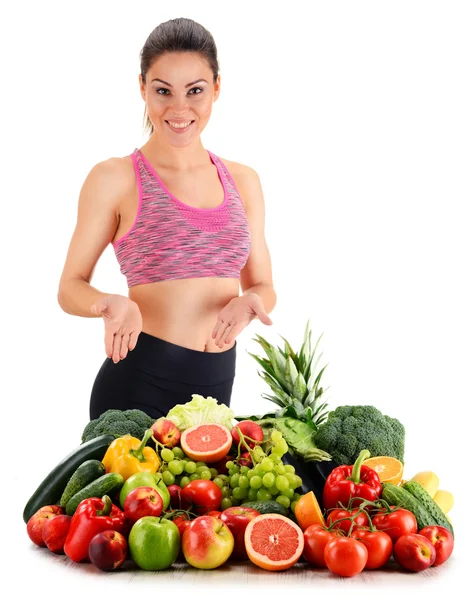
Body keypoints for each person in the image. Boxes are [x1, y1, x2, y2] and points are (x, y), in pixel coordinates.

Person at [57, 17, 277, 421]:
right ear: (142, 88)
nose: (179, 109)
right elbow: (70, 287)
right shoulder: (115, 178)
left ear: (217, 88)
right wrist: (110, 305)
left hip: (214, 395)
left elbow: (263, 285)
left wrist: (251, 302)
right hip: (139, 384)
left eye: (195, 91)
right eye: (163, 91)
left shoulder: (244, 181)